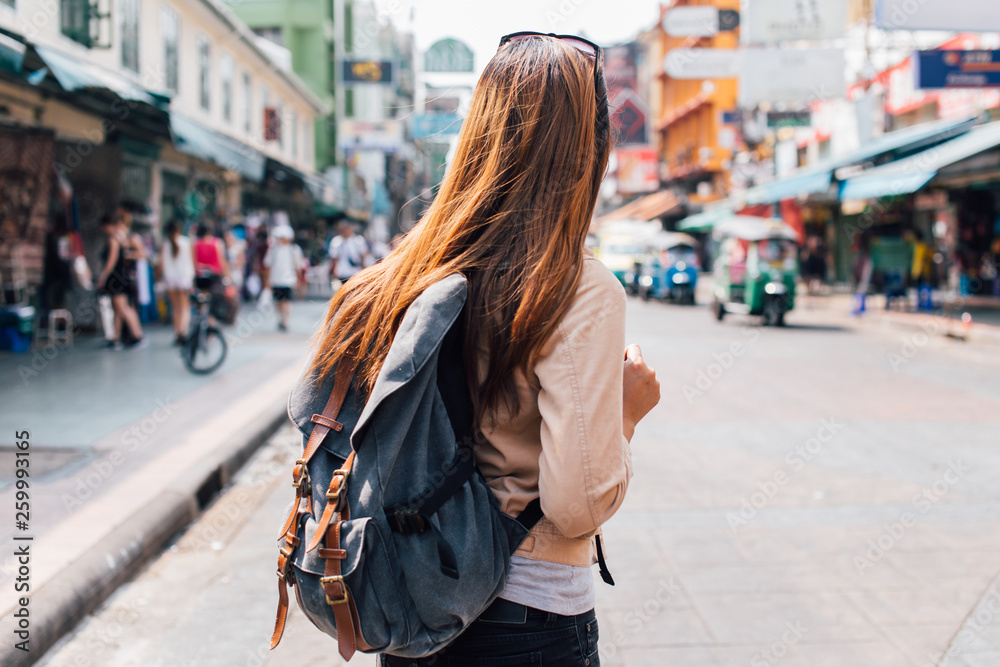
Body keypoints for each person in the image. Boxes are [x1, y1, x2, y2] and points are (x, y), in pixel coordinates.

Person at [307, 32, 660, 665]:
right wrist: (626, 416)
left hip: (418, 600)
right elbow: (576, 506)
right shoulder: (579, 287)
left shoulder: (407, 276)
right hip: (530, 619)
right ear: (590, 148)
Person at [96, 215, 145, 349]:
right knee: (117, 308)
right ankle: (116, 338)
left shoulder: (116, 239)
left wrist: (103, 276)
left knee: (123, 308)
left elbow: (112, 260)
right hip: (122, 277)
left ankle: (137, 336)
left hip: (117, 278)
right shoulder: (123, 238)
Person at [160, 219, 195, 345]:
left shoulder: (166, 243)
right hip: (184, 279)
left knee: (175, 308)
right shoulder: (185, 242)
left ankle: (177, 332)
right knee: (185, 307)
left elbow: (162, 264)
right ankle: (183, 332)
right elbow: (190, 261)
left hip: (170, 279)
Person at [263, 225, 304, 331]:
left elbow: (298, 266)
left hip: (289, 280)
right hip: (276, 280)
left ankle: (286, 321)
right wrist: (267, 280)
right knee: (278, 301)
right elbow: (268, 266)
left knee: (286, 301)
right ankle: (281, 319)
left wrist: (299, 279)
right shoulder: (273, 250)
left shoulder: (294, 250)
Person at [328, 220, 370, 286]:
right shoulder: (336, 241)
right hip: (342, 273)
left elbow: (363, 257)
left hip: (356, 272)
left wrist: (365, 270)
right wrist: (333, 273)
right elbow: (334, 259)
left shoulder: (358, 240)